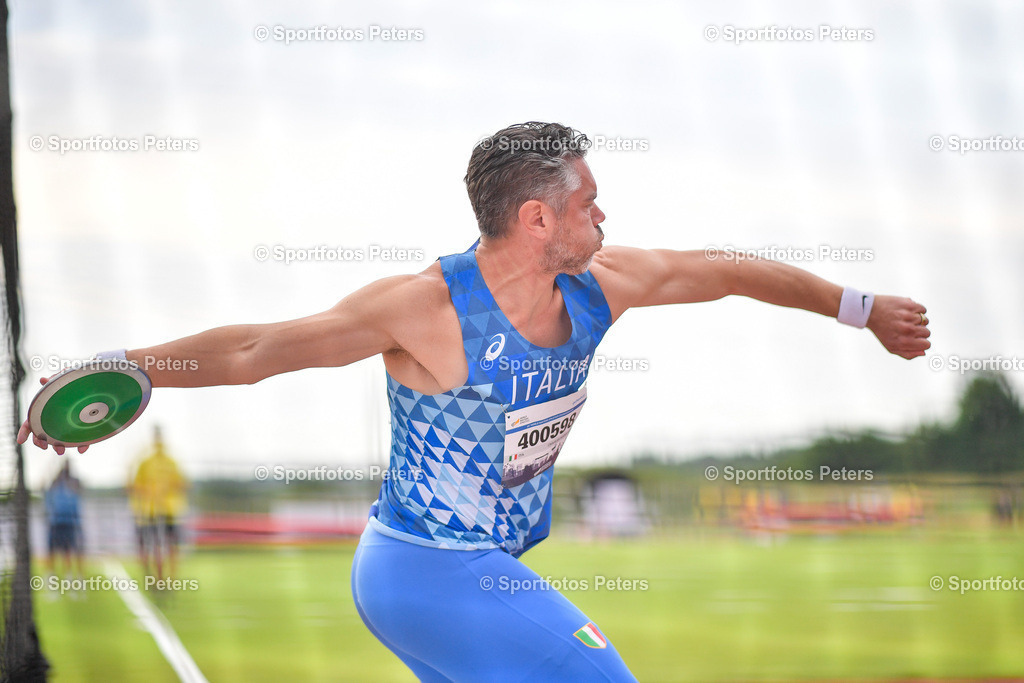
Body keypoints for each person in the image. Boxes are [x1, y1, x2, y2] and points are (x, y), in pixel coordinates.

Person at [19, 122, 931, 681]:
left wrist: (860, 309)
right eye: (589, 202)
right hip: (426, 568)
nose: (604, 220)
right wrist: (124, 367)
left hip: (461, 565)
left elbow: (725, 270)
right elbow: (260, 349)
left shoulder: (600, 287)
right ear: (539, 218)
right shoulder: (427, 307)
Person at [128, 426, 188, 582]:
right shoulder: (160, 461)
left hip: (160, 511)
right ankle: (163, 578)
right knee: (162, 546)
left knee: (161, 546)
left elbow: (182, 484)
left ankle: (163, 578)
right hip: (158, 511)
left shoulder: (152, 461)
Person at [44, 461, 85, 593]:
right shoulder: (55, 483)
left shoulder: (73, 483)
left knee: (69, 551)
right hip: (56, 522)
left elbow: (79, 492)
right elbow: (47, 496)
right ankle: (52, 579)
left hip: (70, 523)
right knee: (52, 552)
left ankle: (71, 578)